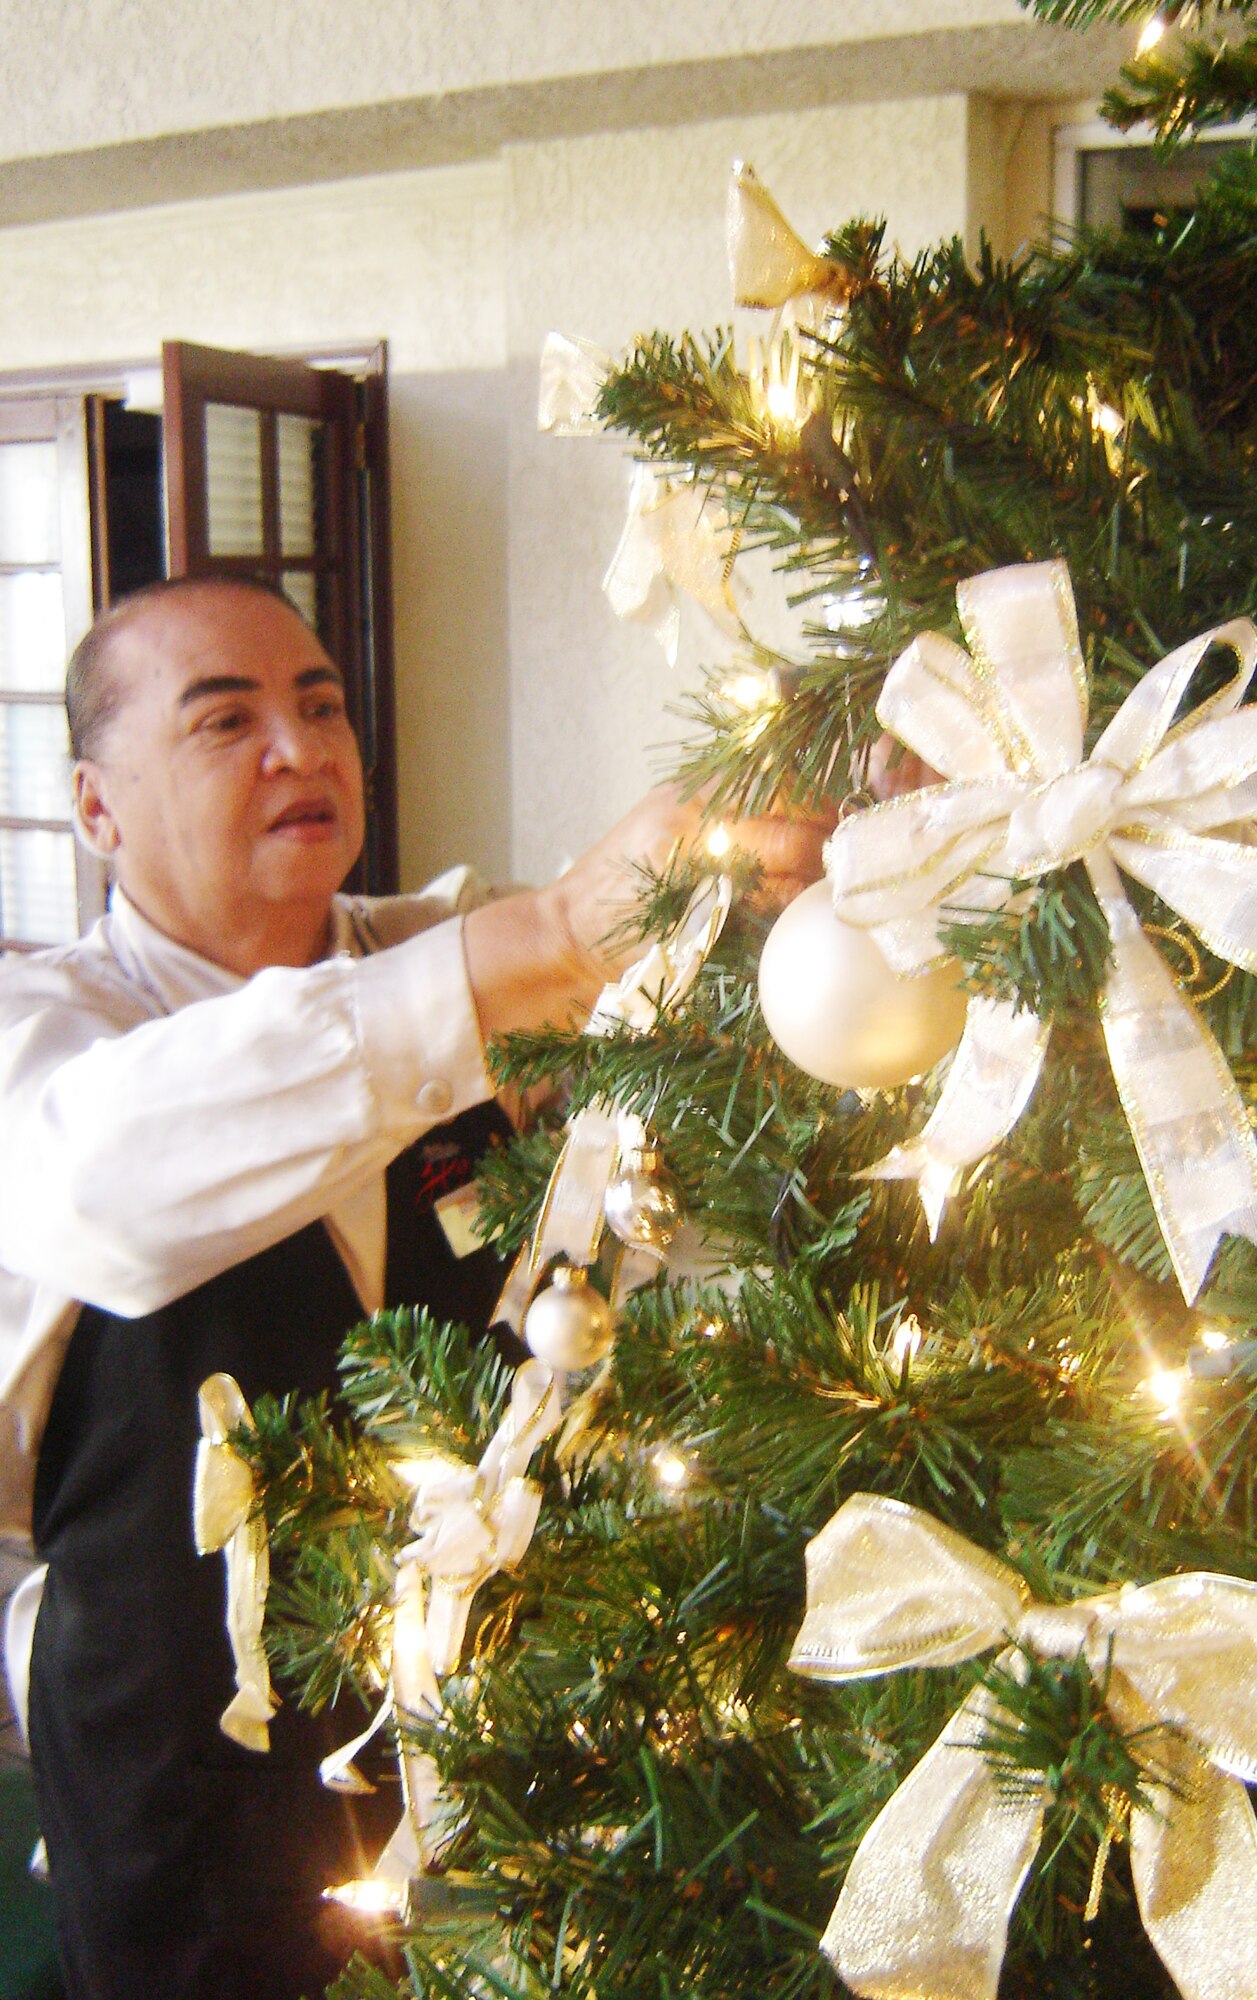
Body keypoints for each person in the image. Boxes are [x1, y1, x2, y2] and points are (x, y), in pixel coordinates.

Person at [0, 575, 825, 2000]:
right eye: (227, 721)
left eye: (322, 708)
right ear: (94, 808)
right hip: (178, 1763)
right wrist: (552, 939)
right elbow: (104, 1185)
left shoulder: (436, 949)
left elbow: (658, 1020)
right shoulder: (50, 1033)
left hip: (485, 1737)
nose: (300, 751)